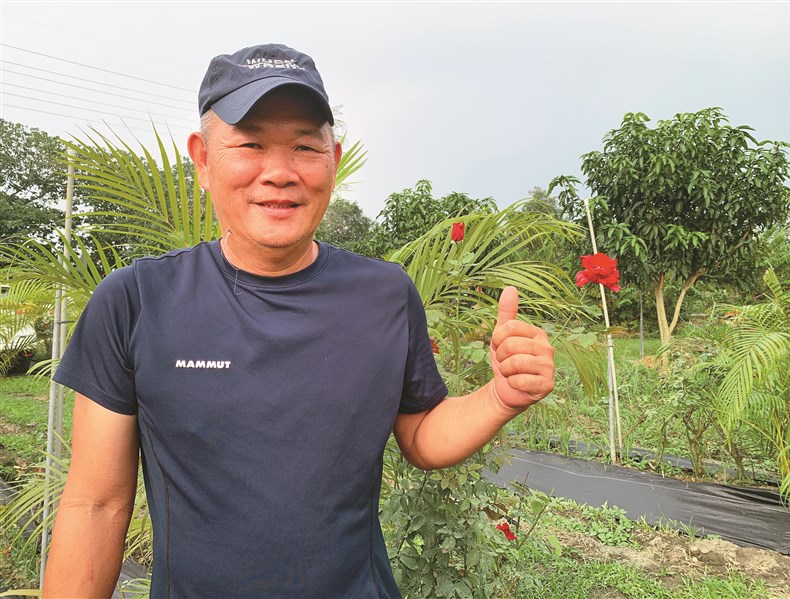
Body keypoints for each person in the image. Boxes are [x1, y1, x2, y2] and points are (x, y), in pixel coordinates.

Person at [42, 43, 554, 599]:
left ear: (334, 160)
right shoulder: (137, 300)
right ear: (204, 160)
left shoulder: (384, 295)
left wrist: (499, 397)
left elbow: (422, 435)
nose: (280, 173)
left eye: (305, 147)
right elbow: (95, 505)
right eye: (251, 144)